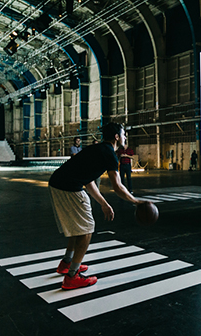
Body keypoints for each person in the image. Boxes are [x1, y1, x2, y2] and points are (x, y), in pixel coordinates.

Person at [48, 123, 142, 290]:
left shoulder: (97, 149)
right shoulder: (110, 155)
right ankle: (72, 276)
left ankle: (67, 263)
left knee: (77, 226)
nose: (125, 137)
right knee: (86, 229)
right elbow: (118, 186)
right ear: (116, 137)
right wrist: (137, 202)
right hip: (69, 187)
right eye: (124, 134)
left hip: (59, 183)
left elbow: (88, 179)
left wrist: (103, 203)